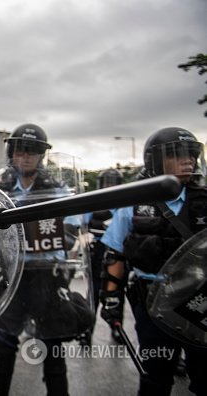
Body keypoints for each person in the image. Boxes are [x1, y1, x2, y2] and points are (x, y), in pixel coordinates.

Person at [100, 127, 207, 396]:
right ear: (156, 161)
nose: (188, 160)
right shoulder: (133, 204)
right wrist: (111, 301)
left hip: (199, 301)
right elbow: (116, 256)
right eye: (178, 154)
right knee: (155, 378)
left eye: (192, 154)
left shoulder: (205, 201)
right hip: (152, 304)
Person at [0, 124, 92, 396]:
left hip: (47, 276)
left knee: (53, 347)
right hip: (11, 276)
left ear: (41, 155)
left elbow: (71, 229)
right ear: (11, 152)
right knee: (3, 345)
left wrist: (51, 242)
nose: (26, 156)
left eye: (32, 151)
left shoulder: (56, 189)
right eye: (20, 149)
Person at [81, 168, 125, 346]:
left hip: (118, 257)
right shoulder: (94, 204)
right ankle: (86, 331)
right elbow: (81, 223)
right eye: (106, 182)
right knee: (93, 295)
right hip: (97, 254)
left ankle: (117, 327)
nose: (109, 186)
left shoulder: (125, 205)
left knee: (117, 293)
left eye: (113, 182)